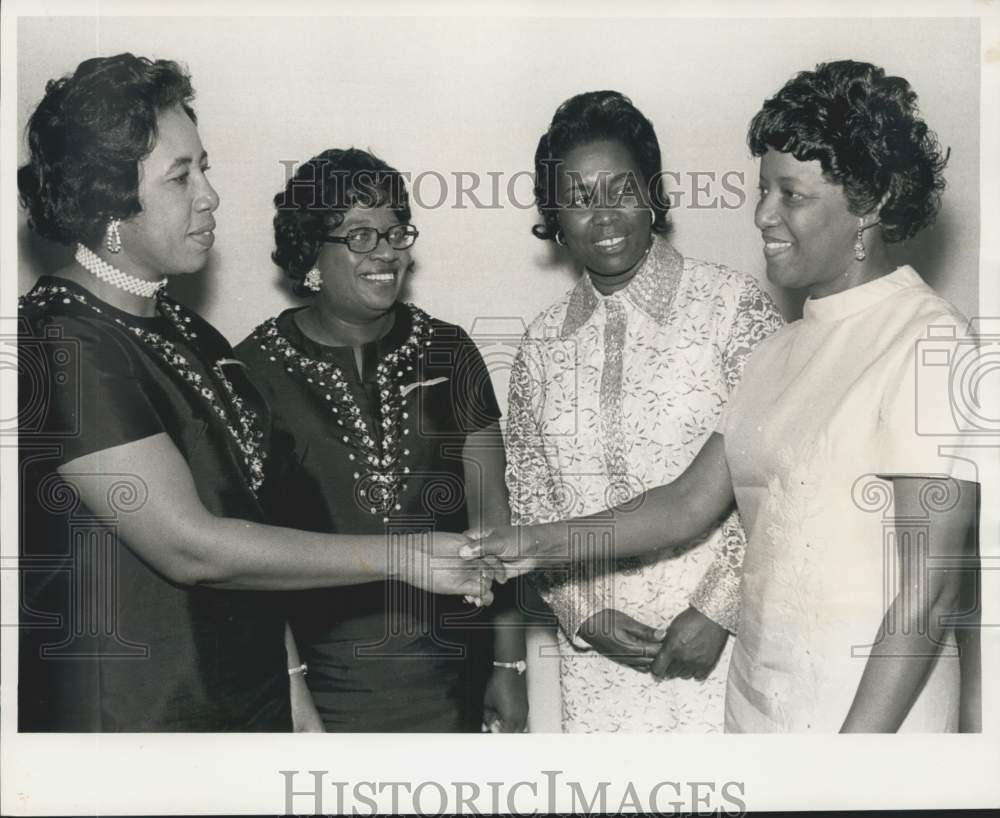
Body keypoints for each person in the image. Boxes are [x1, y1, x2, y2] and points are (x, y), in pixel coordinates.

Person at [468, 61, 980, 733]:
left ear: (871, 201)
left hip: (865, 724)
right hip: (755, 712)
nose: (762, 215)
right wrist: (522, 545)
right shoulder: (781, 351)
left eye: (789, 195)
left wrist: (854, 764)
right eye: (762, 190)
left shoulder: (930, 341)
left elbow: (930, 591)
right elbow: (682, 505)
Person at [16, 54, 495, 732]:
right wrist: (404, 554)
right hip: (138, 725)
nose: (209, 194)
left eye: (203, 166)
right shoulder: (59, 339)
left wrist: (294, 692)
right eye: (182, 176)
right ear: (107, 202)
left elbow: (255, 530)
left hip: (246, 709)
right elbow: (193, 547)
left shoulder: (195, 334)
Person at [504, 90, 783, 732]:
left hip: (727, 645)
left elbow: (775, 476)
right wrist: (584, 614)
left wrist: (719, 608)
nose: (602, 216)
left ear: (653, 194)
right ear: (554, 213)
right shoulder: (540, 344)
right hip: (600, 667)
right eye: (577, 197)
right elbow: (533, 502)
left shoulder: (733, 308)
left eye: (621, 189)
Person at [234, 148, 528, 732]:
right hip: (323, 689)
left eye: (396, 231)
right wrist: (292, 696)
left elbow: (494, 516)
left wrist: (509, 660)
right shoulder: (251, 371)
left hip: (453, 678)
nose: (387, 252)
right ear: (310, 253)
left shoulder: (452, 350)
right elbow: (251, 558)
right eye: (361, 236)